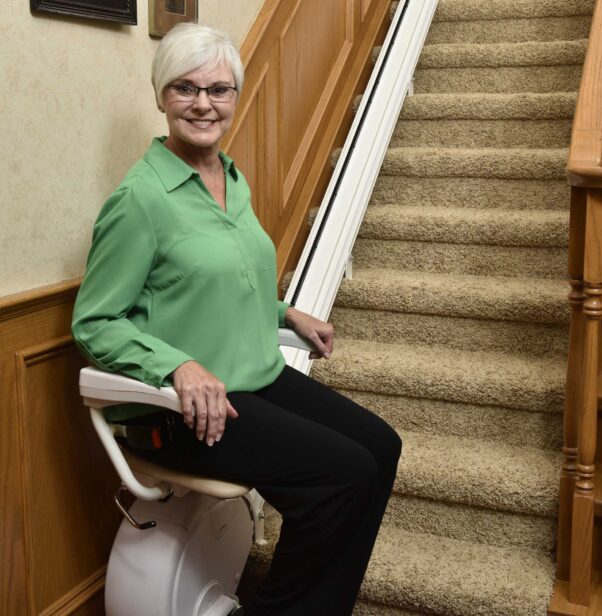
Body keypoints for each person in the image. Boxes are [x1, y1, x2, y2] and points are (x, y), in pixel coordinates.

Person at [72, 22, 401, 616]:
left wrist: (284, 312)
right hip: (178, 409)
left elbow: (208, 282)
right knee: (342, 476)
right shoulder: (140, 200)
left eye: (219, 89)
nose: (204, 103)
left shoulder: (231, 179)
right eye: (185, 88)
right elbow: (96, 322)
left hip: (253, 377)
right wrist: (178, 366)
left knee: (381, 446)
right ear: (160, 95)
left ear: (235, 96)